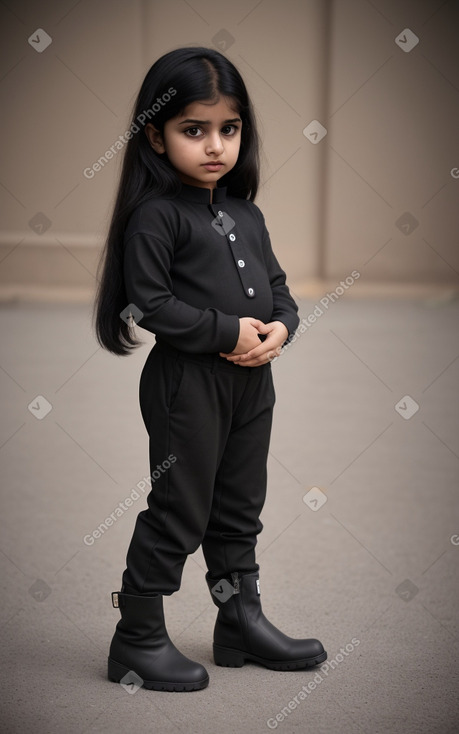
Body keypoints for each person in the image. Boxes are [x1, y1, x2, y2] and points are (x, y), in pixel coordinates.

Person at [93, 46, 326, 692]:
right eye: (193, 130)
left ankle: (239, 620)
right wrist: (227, 331)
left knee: (237, 507)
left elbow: (278, 289)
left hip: (252, 385)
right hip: (186, 387)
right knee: (180, 509)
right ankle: (135, 636)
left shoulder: (245, 213)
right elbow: (150, 302)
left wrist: (280, 327)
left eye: (229, 129)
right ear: (155, 135)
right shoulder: (154, 217)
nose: (214, 146)